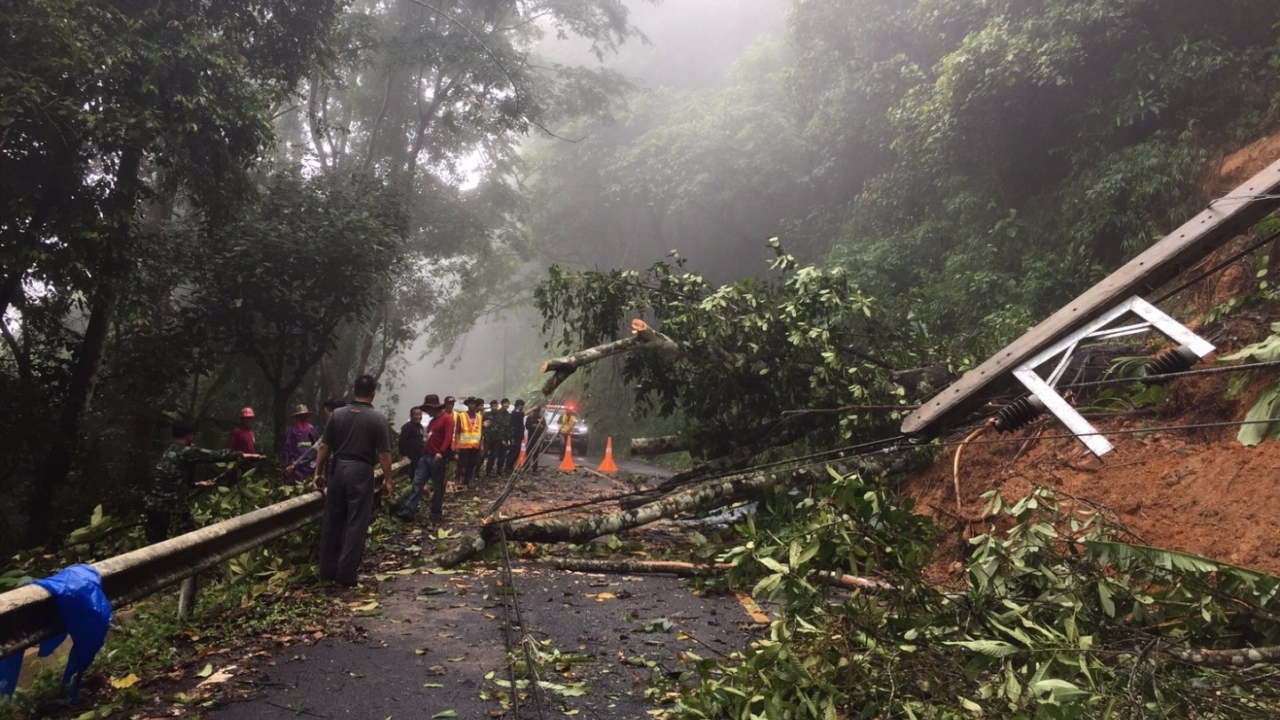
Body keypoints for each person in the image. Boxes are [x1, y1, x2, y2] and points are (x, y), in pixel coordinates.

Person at [312, 375, 394, 587]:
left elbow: (324, 446)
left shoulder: (337, 415)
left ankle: (327, 570)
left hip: (337, 469)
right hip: (361, 470)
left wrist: (318, 473)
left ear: (352, 390)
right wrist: (388, 480)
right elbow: (384, 454)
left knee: (333, 519)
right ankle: (346, 574)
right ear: (374, 392)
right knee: (356, 522)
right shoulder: (378, 419)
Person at [145, 420, 262, 543]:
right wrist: (246, 455)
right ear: (189, 435)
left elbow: (170, 481)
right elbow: (215, 455)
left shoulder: (169, 451)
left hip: (153, 506)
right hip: (173, 507)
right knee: (189, 542)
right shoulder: (188, 452)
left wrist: (197, 484)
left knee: (154, 548)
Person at [399, 394, 451, 522]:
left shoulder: (447, 419)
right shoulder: (432, 421)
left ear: (434, 407)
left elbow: (448, 437)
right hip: (425, 456)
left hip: (437, 457)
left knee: (438, 485)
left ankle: (436, 512)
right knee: (417, 482)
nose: (426, 412)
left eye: (427, 409)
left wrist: (441, 452)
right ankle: (409, 510)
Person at [286, 399, 343, 478]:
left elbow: (319, 447)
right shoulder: (292, 430)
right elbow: (289, 447)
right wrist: (293, 463)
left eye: (326, 414)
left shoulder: (311, 429)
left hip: (338, 470)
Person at [282, 405, 318, 485]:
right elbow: (287, 448)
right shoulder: (292, 431)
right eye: (301, 416)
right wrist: (288, 463)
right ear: (297, 417)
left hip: (310, 466)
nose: (303, 418)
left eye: (305, 416)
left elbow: (316, 446)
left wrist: (316, 463)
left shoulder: (311, 429)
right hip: (296, 467)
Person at [454, 396, 484, 485]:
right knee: (462, 464)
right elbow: (457, 431)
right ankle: (460, 480)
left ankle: (467, 480)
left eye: (473, 404)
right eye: (470, 403)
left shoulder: (479, 416)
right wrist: (456, 444)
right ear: (467, 405)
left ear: (476, 405)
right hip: (464, 445)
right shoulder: (462, 415)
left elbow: (480, 432)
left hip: (475, 445)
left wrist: (481, 445)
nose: (472, 405)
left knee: (472, 463)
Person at [482, 399, 510, 477]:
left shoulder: (500, 415)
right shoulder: (487, 414)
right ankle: (476, 472)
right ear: (491, 407)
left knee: (493, 456)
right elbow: (482, 425)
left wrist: (503, 439)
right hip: (488, 438)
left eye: (496, 405)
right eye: (493, 406)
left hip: (497, 439)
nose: (495, 407)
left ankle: (488, 472)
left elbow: (502, 428)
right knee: (484, 454)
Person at [398, 405, 425, 482]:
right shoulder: (407, 427)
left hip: (419, 456)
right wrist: (404, 455)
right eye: (415, 415)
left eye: (419, 415)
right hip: (411, 457)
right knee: (413, 476)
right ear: (411, 416)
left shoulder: (420, 427)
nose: (418, 417)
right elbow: (401, 441)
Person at [505, 399, 526, 473]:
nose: (523, 407)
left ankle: (511, 467)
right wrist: (533, 408)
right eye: (522, 405)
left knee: (517, 452)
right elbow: (523, 414)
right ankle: (508, 467)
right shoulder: (515, 413)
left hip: (519, 435)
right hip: (515, 435)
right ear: (519, 405)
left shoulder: (518, 412)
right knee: (513, 451)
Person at [524, 404, 546, 471]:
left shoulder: (541, 418)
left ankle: (534, 468)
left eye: (537, 411)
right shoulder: (530, 417)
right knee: (528, 452)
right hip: (531, 437)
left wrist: (540, 426)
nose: (536, 413)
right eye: (535, 411)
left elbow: (545, 428)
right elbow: (527, 426)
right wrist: (533, 426)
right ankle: (526, 467)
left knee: (536, 453)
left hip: (538, 437)